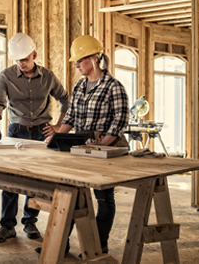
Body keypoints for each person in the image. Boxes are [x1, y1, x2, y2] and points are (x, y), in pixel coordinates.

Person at [35, 35, 129, 255]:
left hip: (107, 147)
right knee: (71, 195)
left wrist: (102, 146)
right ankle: (61, 243)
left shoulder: (114, 87)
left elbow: (119, 122)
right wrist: (57, 138)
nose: (76, 65)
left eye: (79, 60)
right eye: (75, 61)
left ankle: (98, 245)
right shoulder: (79, 86)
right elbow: (70, 118)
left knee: (104, 197)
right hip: (83, 147)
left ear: (94, 58)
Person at [0, 32, 70, 244]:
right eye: (17, 60)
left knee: (35, 180)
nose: (20, 64)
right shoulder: (6, 76)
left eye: (24, 59)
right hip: (16, 132)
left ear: (34, 55)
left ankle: (30, 221)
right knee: (10, 180)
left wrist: (59, 126)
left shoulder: (49, 77)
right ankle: (7, 225)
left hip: (42, 133)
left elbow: (65, 99)